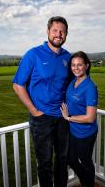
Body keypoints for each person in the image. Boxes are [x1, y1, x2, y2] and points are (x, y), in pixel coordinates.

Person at [13, 16, 70, 187]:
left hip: (62, 118)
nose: (58, 34)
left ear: (66, 35)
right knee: (45, 163)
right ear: (48, 32)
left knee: (62, 159)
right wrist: (34, 110)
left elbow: (71, 85)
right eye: (55, 30)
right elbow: (17, 84)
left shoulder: (67, 57)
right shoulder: (33, 54)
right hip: (42, 118)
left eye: (62, 31)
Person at [60, 51, 98, 187]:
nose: (76, 68)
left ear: (86, 66)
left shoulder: (90, 87)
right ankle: (86, 181)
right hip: (73, 130)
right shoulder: (73, 82)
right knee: (70, 158)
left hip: (85, 133)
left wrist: (68, 117)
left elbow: (90, 117)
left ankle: (88, 183)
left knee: (86, 161)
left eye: (79, 65)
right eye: (73, 65)